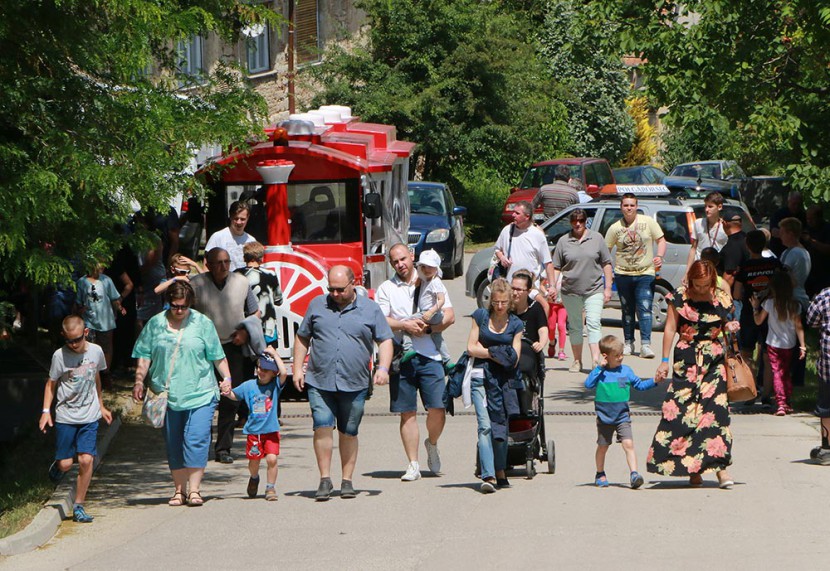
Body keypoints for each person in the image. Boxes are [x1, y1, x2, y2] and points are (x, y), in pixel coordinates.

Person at [294, 265, 393, 500]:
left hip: (355, 382)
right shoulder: (317, 305)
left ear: (353, 283)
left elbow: (386, 340)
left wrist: (383, 368)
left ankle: (347, 480)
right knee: (322, 426)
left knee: (348, 431)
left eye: (340, 289)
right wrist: (298, 369)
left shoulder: (370, 309)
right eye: (331, 289)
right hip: (320, 380)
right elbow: (302, 337)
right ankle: (325, 479)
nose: (335, 294)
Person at [132, 281, 231, 507]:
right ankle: (179, 491)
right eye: (174, 306)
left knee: (196, 439)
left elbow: (217, 355)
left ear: (190, 304)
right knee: (174, 442)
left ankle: (195, 490)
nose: (178, 311)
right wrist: (139, 380)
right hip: (166, 394)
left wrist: (226, 378)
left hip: (200, 391)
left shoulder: (202, 323)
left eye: (183, 307)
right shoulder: (156, 324)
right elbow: (144, 356)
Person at [647, 260, 739, 489]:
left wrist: (729, 328)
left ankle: (720, 470)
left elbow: (728, 324)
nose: (700, 290)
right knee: (681, 413)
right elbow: (670, 328)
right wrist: (664, 361)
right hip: (686, 359)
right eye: (696, 285)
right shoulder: (679, 297)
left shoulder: (721, 298)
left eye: (705, 285)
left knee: (715, 414)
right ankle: (692, 470)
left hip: (714, 360)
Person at [377, 244, 455, 481]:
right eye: (394, 262)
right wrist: (405, 325)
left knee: (438, 409)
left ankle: (431, 443)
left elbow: (449, 315)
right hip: (402, 357)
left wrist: (429, 328)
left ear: (411, 257)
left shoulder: (431, 279)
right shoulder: (386, 288)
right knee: (407, 413)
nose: (400, 264)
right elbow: (381, 320)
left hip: (431, 355)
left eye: (402, 259)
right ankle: (413, 464)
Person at [39, 315, 113, 523]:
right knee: (65, 464)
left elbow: (96, 378)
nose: (73, 344)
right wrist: (46, 411)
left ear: (86, 333)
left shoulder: (96, 352)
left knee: (86, 459)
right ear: (64, 336)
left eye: (77, 340)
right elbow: (50, 385)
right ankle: (57, 466)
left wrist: (101, 405)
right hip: (66, 415)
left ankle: (79, 505)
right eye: (69, 340)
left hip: (89, 415)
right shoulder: (59, 356)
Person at [190, 247, 260, 464]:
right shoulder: (196, 284)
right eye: (218, 262)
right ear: (208, 264)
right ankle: (200, 446)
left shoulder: (241, 282)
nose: (223, 266)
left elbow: (255, 312)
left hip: (232, 346)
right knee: (203, 398)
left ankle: (223, 448)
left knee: (230, 398)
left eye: (226, 262)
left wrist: (244, 331)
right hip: (202, 349)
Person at [466, 278, 523, 493]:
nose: (499, 306)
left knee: (500, 427)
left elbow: (514, 358)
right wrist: (496, 353)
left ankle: (500, 469)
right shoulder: (480, 317)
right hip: (480, 376)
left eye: (503, 302)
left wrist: (488, 351)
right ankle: (488, 475)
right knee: (485, 425)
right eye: (496, 302)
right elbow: (471, 347)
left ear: (509, 302)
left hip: (504, 381)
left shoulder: (516, 324)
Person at [584, 335, 659, 489]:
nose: (620, 358)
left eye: (621, 354)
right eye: (616, 356)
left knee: (628, 444)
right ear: (606, 356)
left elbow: (639, 385)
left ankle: (634, 474)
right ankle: (600, 473)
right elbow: (588, 384)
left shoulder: (626, 371)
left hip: (622, 416)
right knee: (603, 446)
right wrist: (599, 367)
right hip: (604, 417)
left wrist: (655, 381)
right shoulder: (600, 373)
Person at [604, 192, 667, 358]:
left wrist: (659, 256)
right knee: (627, 310)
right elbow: (605, 250)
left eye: (632, 205)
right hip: (623, 275)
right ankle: (628, 343)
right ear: (621, 207)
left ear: (637, 206)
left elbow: (661, 240)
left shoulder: (648, 222)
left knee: (645, 308)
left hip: (645, 273)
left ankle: (646, 345)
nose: (629, 208)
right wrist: (608, 268)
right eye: (626, 205)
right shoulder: (615, 228)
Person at [551, 208, 613, 372]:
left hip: (594, 289)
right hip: (570, 290)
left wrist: (608, 288)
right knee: (576, 326)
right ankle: (577, 361)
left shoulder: (597, 238)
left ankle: (595, 360)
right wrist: (552, 285)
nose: (577, 224)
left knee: (593, 323)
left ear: (586, 222)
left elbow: (606, 263)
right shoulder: (564, 241)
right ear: (570, 222)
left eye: (581, 221)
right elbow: (556, 266)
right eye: (574, 221)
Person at [221, 349, 287, 501]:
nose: (260, 371)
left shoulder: (275, 385)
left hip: (271, 431)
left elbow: (284, 373)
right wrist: (226, 391)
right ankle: (254, 477)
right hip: (254, 432)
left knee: (272, 459)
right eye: (259, 367)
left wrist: (275, 354)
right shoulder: (249, 385)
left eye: (265, 370)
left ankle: (270, 487)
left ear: (273, 373)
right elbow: (234, 395)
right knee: (254, 461)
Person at [733, 230, 782, 402]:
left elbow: (737, 294)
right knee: (768, 354)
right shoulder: (774, 264)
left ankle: (751, 392)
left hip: (749, 314)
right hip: (771, 313)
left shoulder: (745, 267)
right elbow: (784, 282)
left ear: (747, 246)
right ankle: (767, 394)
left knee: (747, 352)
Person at [750, 270, 806, 415]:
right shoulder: (795, 305)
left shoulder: (769, 303)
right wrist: (803, 345)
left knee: (777, 372)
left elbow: (758, 321)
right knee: (785, 372)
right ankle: (787, 400)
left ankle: (780, 402)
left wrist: (755, 307)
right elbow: (799, 327)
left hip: (773, 343)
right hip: (790, 344)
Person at [75, 262, 125, 388]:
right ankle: (89, 375)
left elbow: (114, 298)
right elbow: (78, 302)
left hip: (105, 320)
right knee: (88, 346)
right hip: (89, 320)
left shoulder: (106, 280)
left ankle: (105, 374)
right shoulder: (82, 282)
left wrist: (119, 307)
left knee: (106, 346)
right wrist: (78, 311)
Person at [400, 249, 451, 367]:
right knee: (436, 335)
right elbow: (421, 277)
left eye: (430, 267)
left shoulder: (436, 282)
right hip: (432, 314)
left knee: (405, 323)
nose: (426, 270)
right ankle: (447, 360)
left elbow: (441, 300)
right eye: (423, 267)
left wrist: (431, 312)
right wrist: (419, 278)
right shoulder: (426, 280)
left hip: (431, 313)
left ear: (436, 268)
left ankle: (408, 348)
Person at [493, 200, 557, 286]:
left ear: (527, 217)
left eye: (517, 213)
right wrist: (502, 258)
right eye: (513, 212)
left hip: (530, 288)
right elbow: (497, 249)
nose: (513, 215)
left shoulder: (537, 235)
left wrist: (552, 286)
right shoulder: (507, 230)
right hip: (510, 286)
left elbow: (548, 262)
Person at [780, 217, 811, 387]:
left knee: (793, 342)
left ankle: (795, 379)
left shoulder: (796, 253)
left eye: (783, 232)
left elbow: (788, 279)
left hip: (794, 299)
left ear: (791, 233)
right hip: (793, 298)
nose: (781, 236)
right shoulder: (793, 251)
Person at [236, 241, 283, 348]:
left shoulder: (236, 274)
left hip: (245, 326)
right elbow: (278, 300)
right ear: (261, 259)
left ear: (244, 258)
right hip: (268, 326)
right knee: (269, 360)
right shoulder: (270, 274)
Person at [510, 270, 549, 382]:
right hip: (509, 350)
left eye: (519, 290)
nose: (514, 293)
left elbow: (543, 329)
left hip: (528, 351)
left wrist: (541, 343)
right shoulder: (506, 308)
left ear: (528, 291)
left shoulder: (535, 308)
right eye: (513, 288)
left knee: (524, 369)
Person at [806, 285, 830, 464]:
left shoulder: (825, 295)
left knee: (826, 406)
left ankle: (827, 447)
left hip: (828, 365)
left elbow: (811, 319)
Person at [205, 201, 256, 271]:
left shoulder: (251, 241)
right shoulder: (217, 237)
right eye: (236, 218)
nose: (239, 222)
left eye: (242, 219)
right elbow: (206, 266)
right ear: (230, 217)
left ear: (248, 217)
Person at [686, 191, 727, 272]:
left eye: (710, 206)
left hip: (717, 268)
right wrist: (688, 272)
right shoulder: (698, 223)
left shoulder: (724, 226)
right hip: (700, 266)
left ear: (719, 207)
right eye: (705, 206)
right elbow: (693, 248)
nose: (706, 209)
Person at [718, 214, 749, 302]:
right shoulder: (745, 238)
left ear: (725, 223)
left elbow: (730, 275)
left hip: (734, 297)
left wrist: (721, 298)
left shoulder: (733, 245)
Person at [804, 205, 830, 296]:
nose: (809, 221)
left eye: (812, 219)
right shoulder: (807, 227)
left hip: (824, 272)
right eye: (807, 219)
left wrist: (811, 241)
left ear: (819, 217)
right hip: (809, 271)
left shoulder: (827, 228)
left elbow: (827, 249)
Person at [770, 191, 805, 256]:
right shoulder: (779, 214)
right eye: (794, 204)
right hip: (779, 249)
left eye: (798, 204)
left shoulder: (803, 216)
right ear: (788, 202)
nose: (796, 207)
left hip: (797, 252)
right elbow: (774, 232)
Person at [545, 271, 568, 361]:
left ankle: (561, 351)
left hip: (563, 304)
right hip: (551, 304)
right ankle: (552, 342)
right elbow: (541, 285)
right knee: (551, 327)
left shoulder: (568, 272)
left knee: (562, 325)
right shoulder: (548, 272)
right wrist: (547, 294)